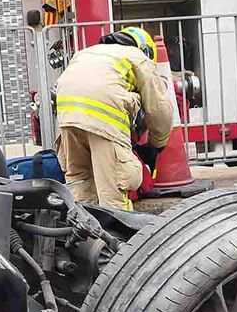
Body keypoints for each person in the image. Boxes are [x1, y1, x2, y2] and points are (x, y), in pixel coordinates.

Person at [54, 26, 173, 210]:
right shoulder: (138, 58)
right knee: (114, 195)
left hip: (68, 118)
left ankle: (85, 237)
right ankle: (123, 239)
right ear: (145, 49)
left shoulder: (85, 53)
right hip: (103, 119)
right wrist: (157, 142)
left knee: (81, 190)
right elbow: (159, 109)